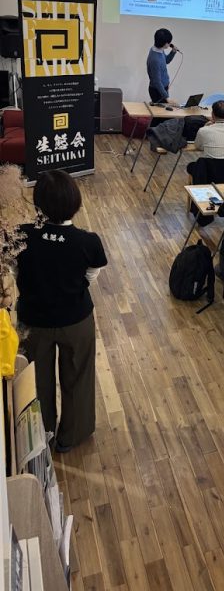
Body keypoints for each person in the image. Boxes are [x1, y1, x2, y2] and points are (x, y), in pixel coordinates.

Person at [16, 170, 107, 452]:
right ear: (75, 203)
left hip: (33, 321)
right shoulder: (88, 241)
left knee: (35, 381)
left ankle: (39, 436)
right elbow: (93, 273)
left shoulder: (21, 235)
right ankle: (72, 436)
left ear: (38, 204)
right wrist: (75, 286)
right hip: (76, 319)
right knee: (78, 377)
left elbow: (15, 271)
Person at [147, 28, 178, 104]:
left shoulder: (158, 49)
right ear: (165, 44)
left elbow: (166, 61)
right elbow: (157, 81)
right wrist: (167, 97)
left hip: (163, 88)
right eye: (169, 42)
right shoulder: (155, 59)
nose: (170, 44)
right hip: (158, 91)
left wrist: (173, 52)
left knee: (164, 110)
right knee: (162, 111)